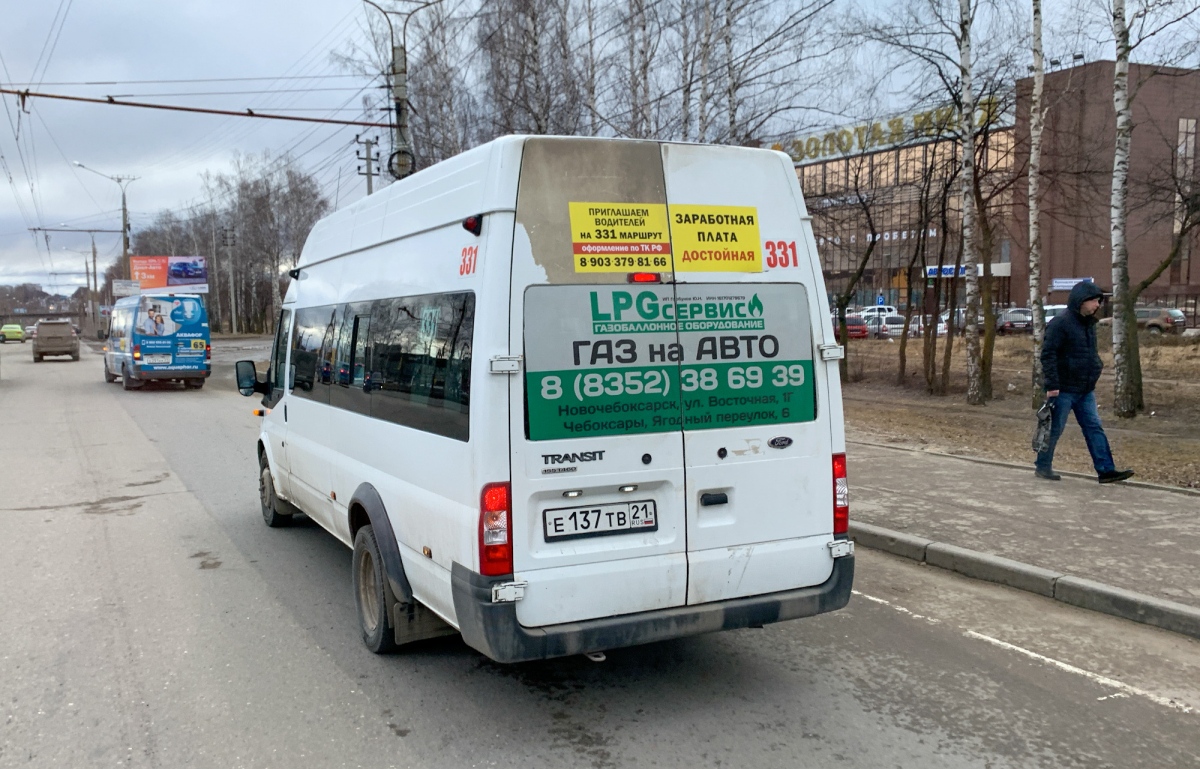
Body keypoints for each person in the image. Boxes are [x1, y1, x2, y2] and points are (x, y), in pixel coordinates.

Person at [1036, 280, 1134, 484]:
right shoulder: (1060, 323)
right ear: (1081, 301)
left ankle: (1106, 470)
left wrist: (1096, 366)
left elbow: (1088, 354)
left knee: (1094, 427)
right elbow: (1048, 355)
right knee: (1055, 429)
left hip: (1085, 389)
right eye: (1094, 301)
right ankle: (1043, 465)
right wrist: (1052, 386)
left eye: (1099, 301)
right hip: (1063, 389)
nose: (1097, 305)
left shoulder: (1089, 324)